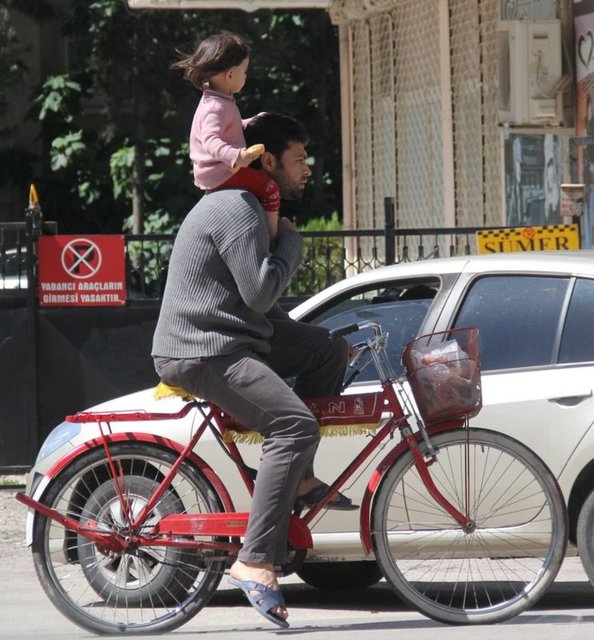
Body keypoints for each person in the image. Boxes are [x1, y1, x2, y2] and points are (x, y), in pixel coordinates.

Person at [152, 112, 351, 628]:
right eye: (299, 159)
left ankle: (297, 476)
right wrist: (291, 243)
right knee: (294, 424)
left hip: (238, 333)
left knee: (328, 349)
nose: (308, 169)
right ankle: (255, 559)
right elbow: (261, 291)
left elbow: (255, 303)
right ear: (268, 160)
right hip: (204, 348)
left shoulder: (252, 202)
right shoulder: (238, 206)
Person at [172, 31, 281, 241]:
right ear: (231, 75)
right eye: (244, 71)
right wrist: (236, 156)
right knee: (270, 188)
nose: (246, 77)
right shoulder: (216, 107)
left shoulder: (218, 101)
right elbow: (212, 141)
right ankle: (272, 239)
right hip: (222, 172)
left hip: (222, 170)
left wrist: (252, 121)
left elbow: (228, 129)